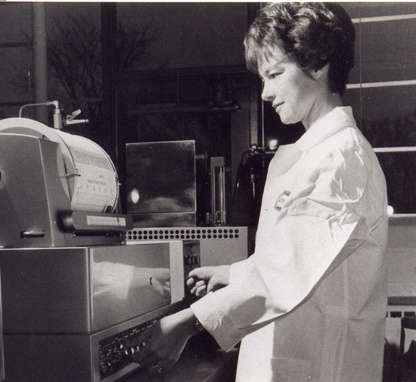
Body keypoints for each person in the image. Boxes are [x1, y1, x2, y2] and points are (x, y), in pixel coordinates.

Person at [132, 3, 388, 381]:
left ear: (317, 65)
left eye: (274, 74)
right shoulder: (317, 153)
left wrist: (189, 323)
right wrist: (232, 272)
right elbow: (291, 254)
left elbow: (287, 275)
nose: (265, 92)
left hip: (323, 367)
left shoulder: (341, 160)